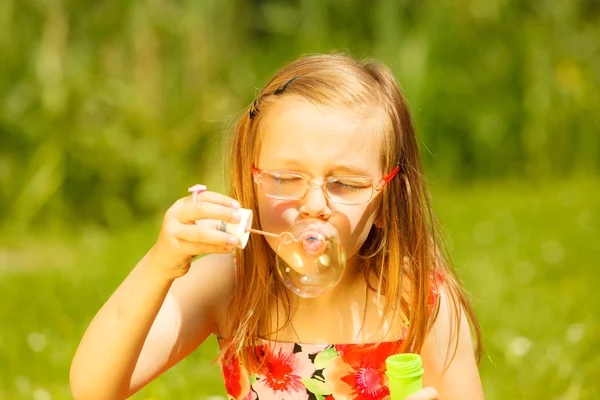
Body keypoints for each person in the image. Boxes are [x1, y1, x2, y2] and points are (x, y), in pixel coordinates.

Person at [70, 54, 484, 400]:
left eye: (346, 184)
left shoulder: (419, 302)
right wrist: (160, 264)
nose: (315, 205)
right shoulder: (229, 282)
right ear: (253, 175)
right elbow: (93, 389)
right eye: (286, 179)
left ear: (388, 195)